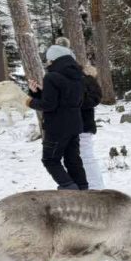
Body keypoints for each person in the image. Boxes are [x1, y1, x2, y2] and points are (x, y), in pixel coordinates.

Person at [27, 38, 87, 190]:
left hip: (57, 127)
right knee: (73, 160)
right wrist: (37, 92)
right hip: (74, 125)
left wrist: (29, 101)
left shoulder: (51, 77)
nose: (47, 63)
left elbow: (49, 105)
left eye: (48, 60)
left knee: (50, 160)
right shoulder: (78, 76)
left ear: (54, 60)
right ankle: (83, 190)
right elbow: (66, 100)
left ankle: (69, 189)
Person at [79, 60, 105, 189]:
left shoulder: (86, 81)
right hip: (81, 125)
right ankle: (91, 187)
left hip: (83, 126)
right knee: (83, 158)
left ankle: (97, 188)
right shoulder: (87, 80)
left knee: (86, 158)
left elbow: (94, 99)